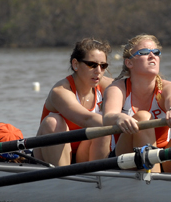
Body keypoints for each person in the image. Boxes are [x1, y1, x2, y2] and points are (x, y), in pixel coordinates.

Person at [103, 34, 171, 173]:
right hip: (126, 158)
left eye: (156, 52)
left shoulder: (170, 87)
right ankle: (154, 180)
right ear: (129, 63)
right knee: (142, 117)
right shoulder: (117, 88)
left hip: (163, 157)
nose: (152, 56)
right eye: (144, 52)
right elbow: (108, 116)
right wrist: (119, 117)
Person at [33, 38, 113, 166]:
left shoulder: (108, 85)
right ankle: (61, 179)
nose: (98, 71)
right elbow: (86, 119)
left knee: (103, 130)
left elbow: (135, 89)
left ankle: (99, 178)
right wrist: (119, 121)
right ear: (75, 64)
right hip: (51, 155)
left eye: (103, 66)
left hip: (84, 154)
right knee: (53, 121)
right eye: (92, 64)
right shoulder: (60, 91)